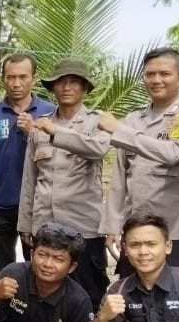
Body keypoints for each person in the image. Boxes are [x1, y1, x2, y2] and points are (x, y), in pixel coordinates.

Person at [99, 48, 179, 277]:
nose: (156, 80)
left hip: (177, 233)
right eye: (150, 74)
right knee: (132, 302)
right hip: (136, 233)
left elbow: (173, 153)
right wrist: (112, 226)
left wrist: (119, 130)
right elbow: (120, 178)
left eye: (164, 73)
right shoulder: (133, 119)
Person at [17, 58, 111, 306]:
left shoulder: (96, 122)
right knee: (43, 291)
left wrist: (57, 133)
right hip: (45, 224)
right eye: (61, 82)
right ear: (53, 88)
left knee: (88, 292)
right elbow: (30, 179)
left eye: (74, 82)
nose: (67, 87)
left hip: (84, 227)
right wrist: (26, 223)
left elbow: (98, 149)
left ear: (84, 88)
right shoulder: (40, 125)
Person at [0, 53, 54, 274]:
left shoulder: (50, 112)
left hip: (38, 205)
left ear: (34, 79)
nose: (16, 83)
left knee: (40, 268)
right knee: (3, 270)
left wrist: (32, 132)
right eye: (10, 77)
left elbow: (58, 159)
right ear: (3, 79)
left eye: (23, 77)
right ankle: (6, 309)